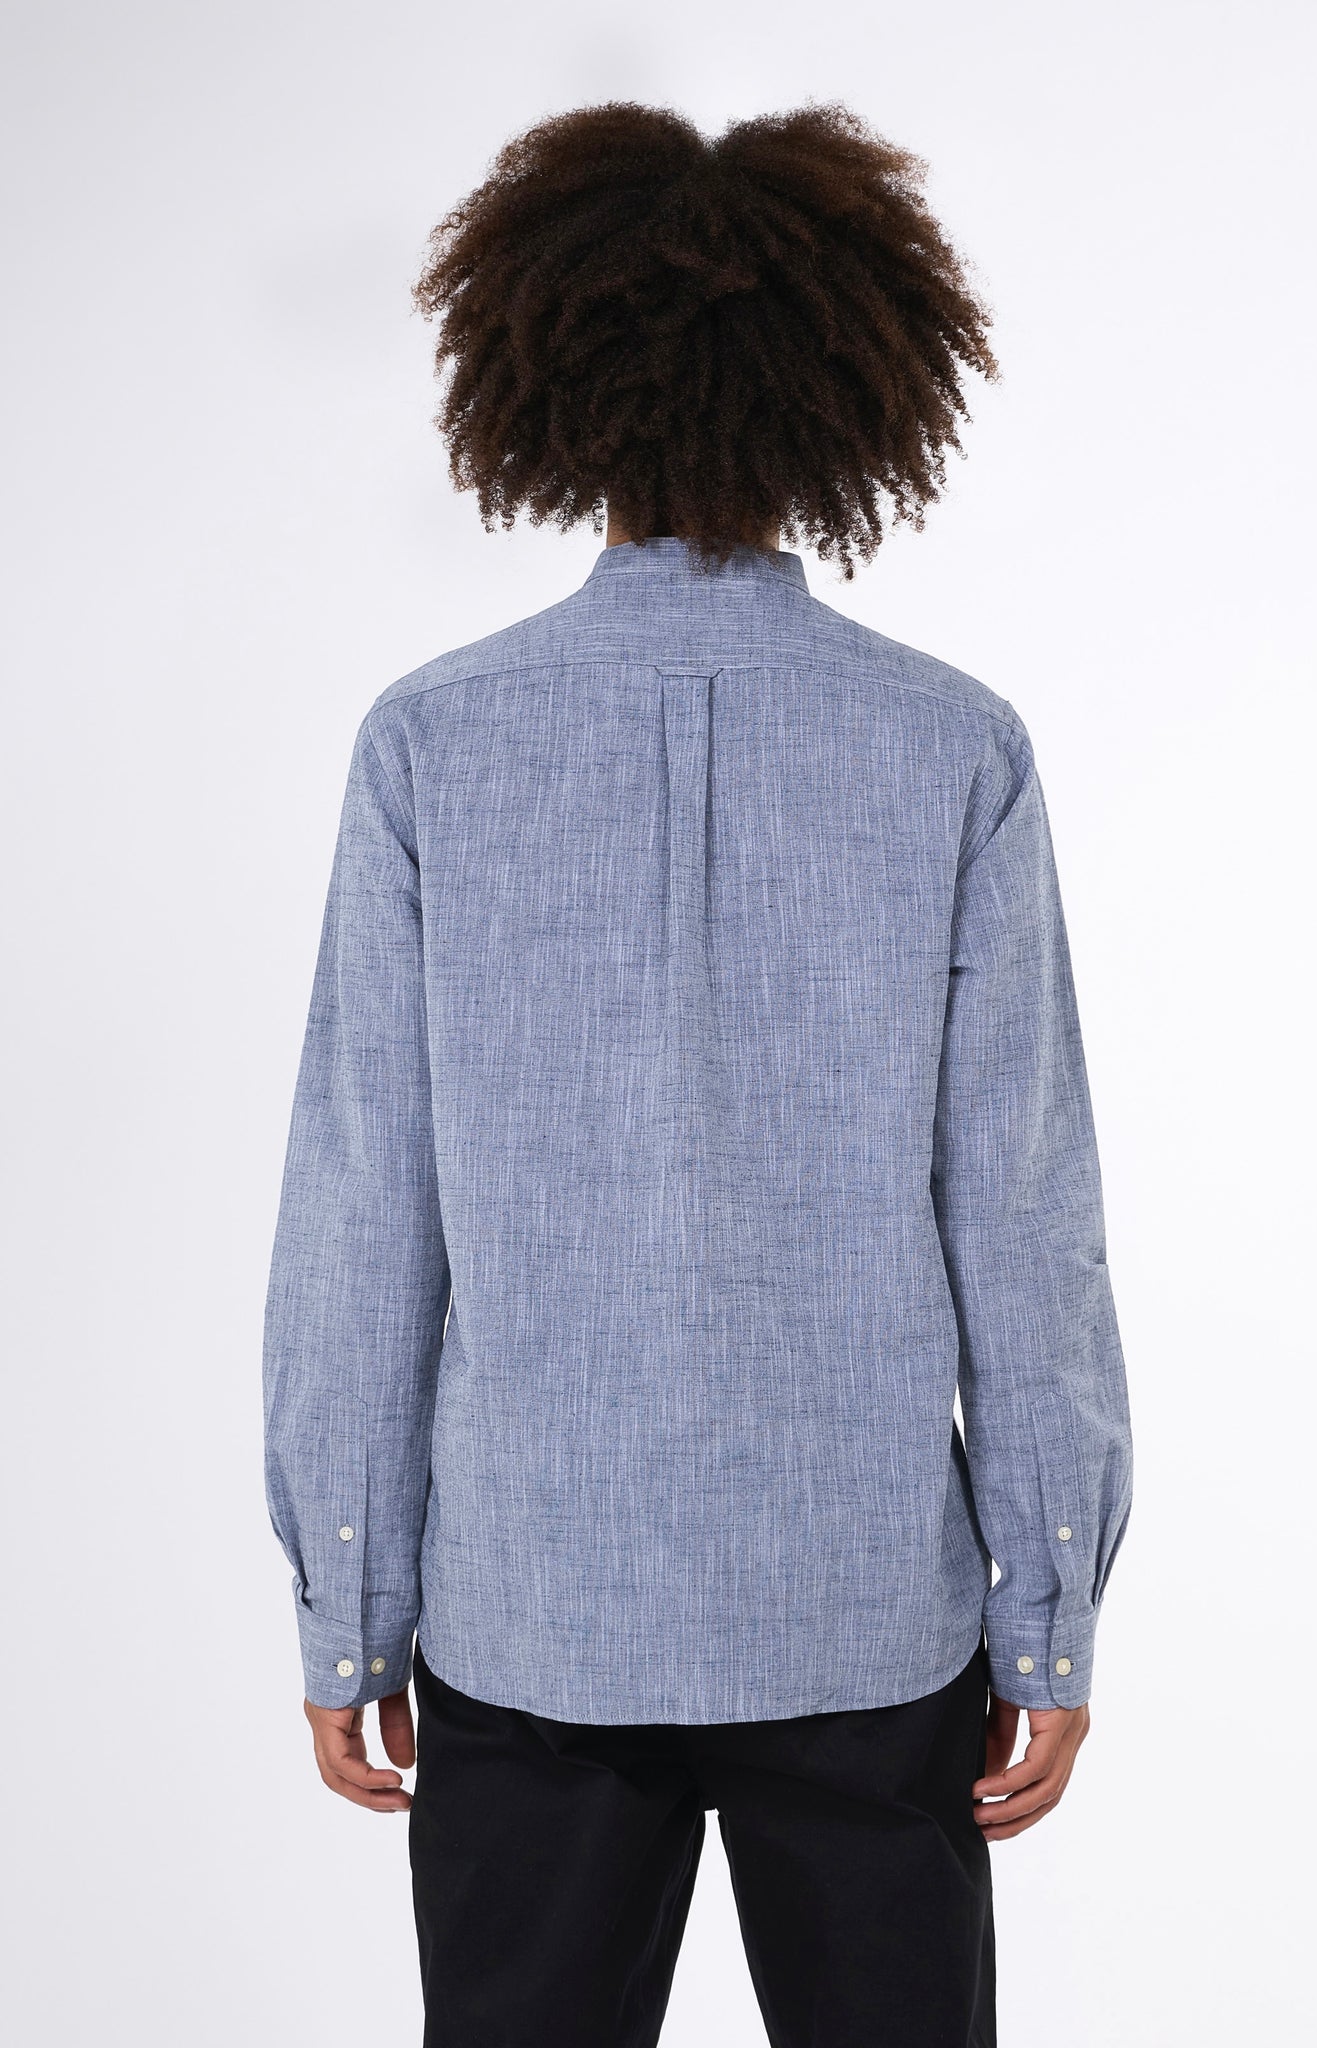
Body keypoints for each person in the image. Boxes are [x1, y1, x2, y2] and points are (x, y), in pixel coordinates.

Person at [262, 99, 1133, 2048]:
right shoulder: (953, 747)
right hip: (869, 1613)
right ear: (854, 390)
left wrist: (350, 1593)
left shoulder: (432, 743)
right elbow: (1024, 1222)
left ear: (548, 388)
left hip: (533, 1617)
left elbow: (362, 1215)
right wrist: (1049, 1604)